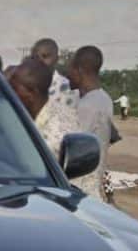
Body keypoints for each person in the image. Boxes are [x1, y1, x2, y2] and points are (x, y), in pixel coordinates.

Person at [68, 45, 114, 200]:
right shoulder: (103, 98)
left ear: (79, 70)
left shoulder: (89, 105)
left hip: (80, 186)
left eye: (71, 69)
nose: (68, 74)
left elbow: (69, 144)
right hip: (92, 182)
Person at [9, 57, 78, 156]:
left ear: (32, 93)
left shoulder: (53, 136)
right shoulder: (54, 110)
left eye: (13, 88)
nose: (8, 93)